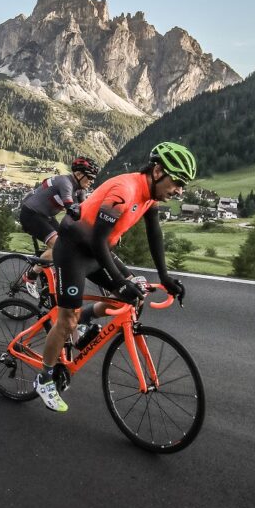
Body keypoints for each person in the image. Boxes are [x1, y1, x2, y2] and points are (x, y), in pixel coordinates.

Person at [32, 142, 195, 413]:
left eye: (183, 185)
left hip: (98, 251)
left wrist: (165, 277)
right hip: (73, 250)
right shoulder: (125, 191)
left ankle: (83, 320)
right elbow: (97, 240)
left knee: (135, 296)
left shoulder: (149, 195)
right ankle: (45, 377)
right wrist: (120, 282)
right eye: (177, 181)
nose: (179, 190)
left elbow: (154, 235)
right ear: (157, 171)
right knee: (66, 319)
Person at [17, 156, 99, 297]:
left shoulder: (79, 189)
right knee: (57, 246)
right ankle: (30, 276)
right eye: (90, 177)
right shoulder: (65, 183)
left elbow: (86, 210)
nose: (91, 182)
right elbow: (71, 208)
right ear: (79, 174)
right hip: (31, 214)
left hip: (46, 216)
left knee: (66, 242)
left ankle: (47, 268)